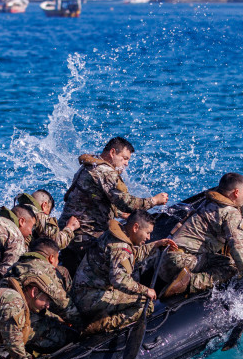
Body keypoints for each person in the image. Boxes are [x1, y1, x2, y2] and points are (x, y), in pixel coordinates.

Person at [160, 173, 243, 298]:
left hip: (165, 262)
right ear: (236, 193)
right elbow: (239, 249)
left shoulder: (209, 203)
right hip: (182, 262)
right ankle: (189, 282)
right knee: (233, 266)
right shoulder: (230, 212)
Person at [59, 137, 169, 272]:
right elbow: (127, 203)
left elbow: (93, 199)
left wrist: (119, 214)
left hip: (73, 233)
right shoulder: (105, 172)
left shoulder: (92, 164)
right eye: (124, 158)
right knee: (124, 249)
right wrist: (154, 200)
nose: (126, 163)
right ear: (112, 153)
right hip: (85, 237)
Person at [73, 210, 177, 335]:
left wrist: (156, 245)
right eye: (147, 233)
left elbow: (132, 256)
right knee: (146, 305)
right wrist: (145, 290)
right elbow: (119, 280)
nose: (149, 237)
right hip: (91, 299)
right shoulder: (120, 248)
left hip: (85, 291)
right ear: (136, 227)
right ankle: (100, 324)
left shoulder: (116, 235)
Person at [0, 237, 81, 353]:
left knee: (54, 318)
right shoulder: (45, 270)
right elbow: (63, 304)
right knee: (69, 336)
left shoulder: (16, 267)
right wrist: (84, 324)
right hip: (22, 325)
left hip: (6, 320)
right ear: (51, 258)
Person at [15, 189, 80, 249]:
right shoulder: (39, 214)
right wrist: (70, 227)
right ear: (44, 205)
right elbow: (55, 243)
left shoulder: (18, 209)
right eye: (49, 212)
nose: (48, 215)